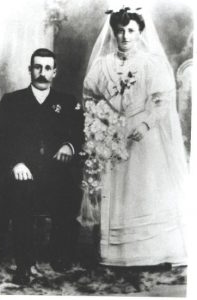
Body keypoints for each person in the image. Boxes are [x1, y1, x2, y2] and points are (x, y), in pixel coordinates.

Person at [81, 5, 188, 268]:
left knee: (145, 189)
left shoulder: (151, 63)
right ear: (114, 34)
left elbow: (163, 99)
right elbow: (89, 98)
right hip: (113, 136)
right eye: (120, 31)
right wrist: (104, 120)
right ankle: (117, 255)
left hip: (143, 136)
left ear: (140, 32)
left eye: (131, 30)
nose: (126, 36)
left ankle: (152, 252)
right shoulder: (102, 65)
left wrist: (147, 123)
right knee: (117, 192)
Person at [0, 48, 84, 284]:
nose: (42, 73)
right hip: (22, 171)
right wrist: (15, 163)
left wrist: (69, 146)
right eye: (37, 67)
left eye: (47, 68)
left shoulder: (67, 101)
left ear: (55, 72)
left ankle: (59, 252)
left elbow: (78, 132)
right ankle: (24, 263)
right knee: (22, 191)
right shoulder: (12, 101)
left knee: (69, 187)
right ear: (30, 70)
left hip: (55, 170)